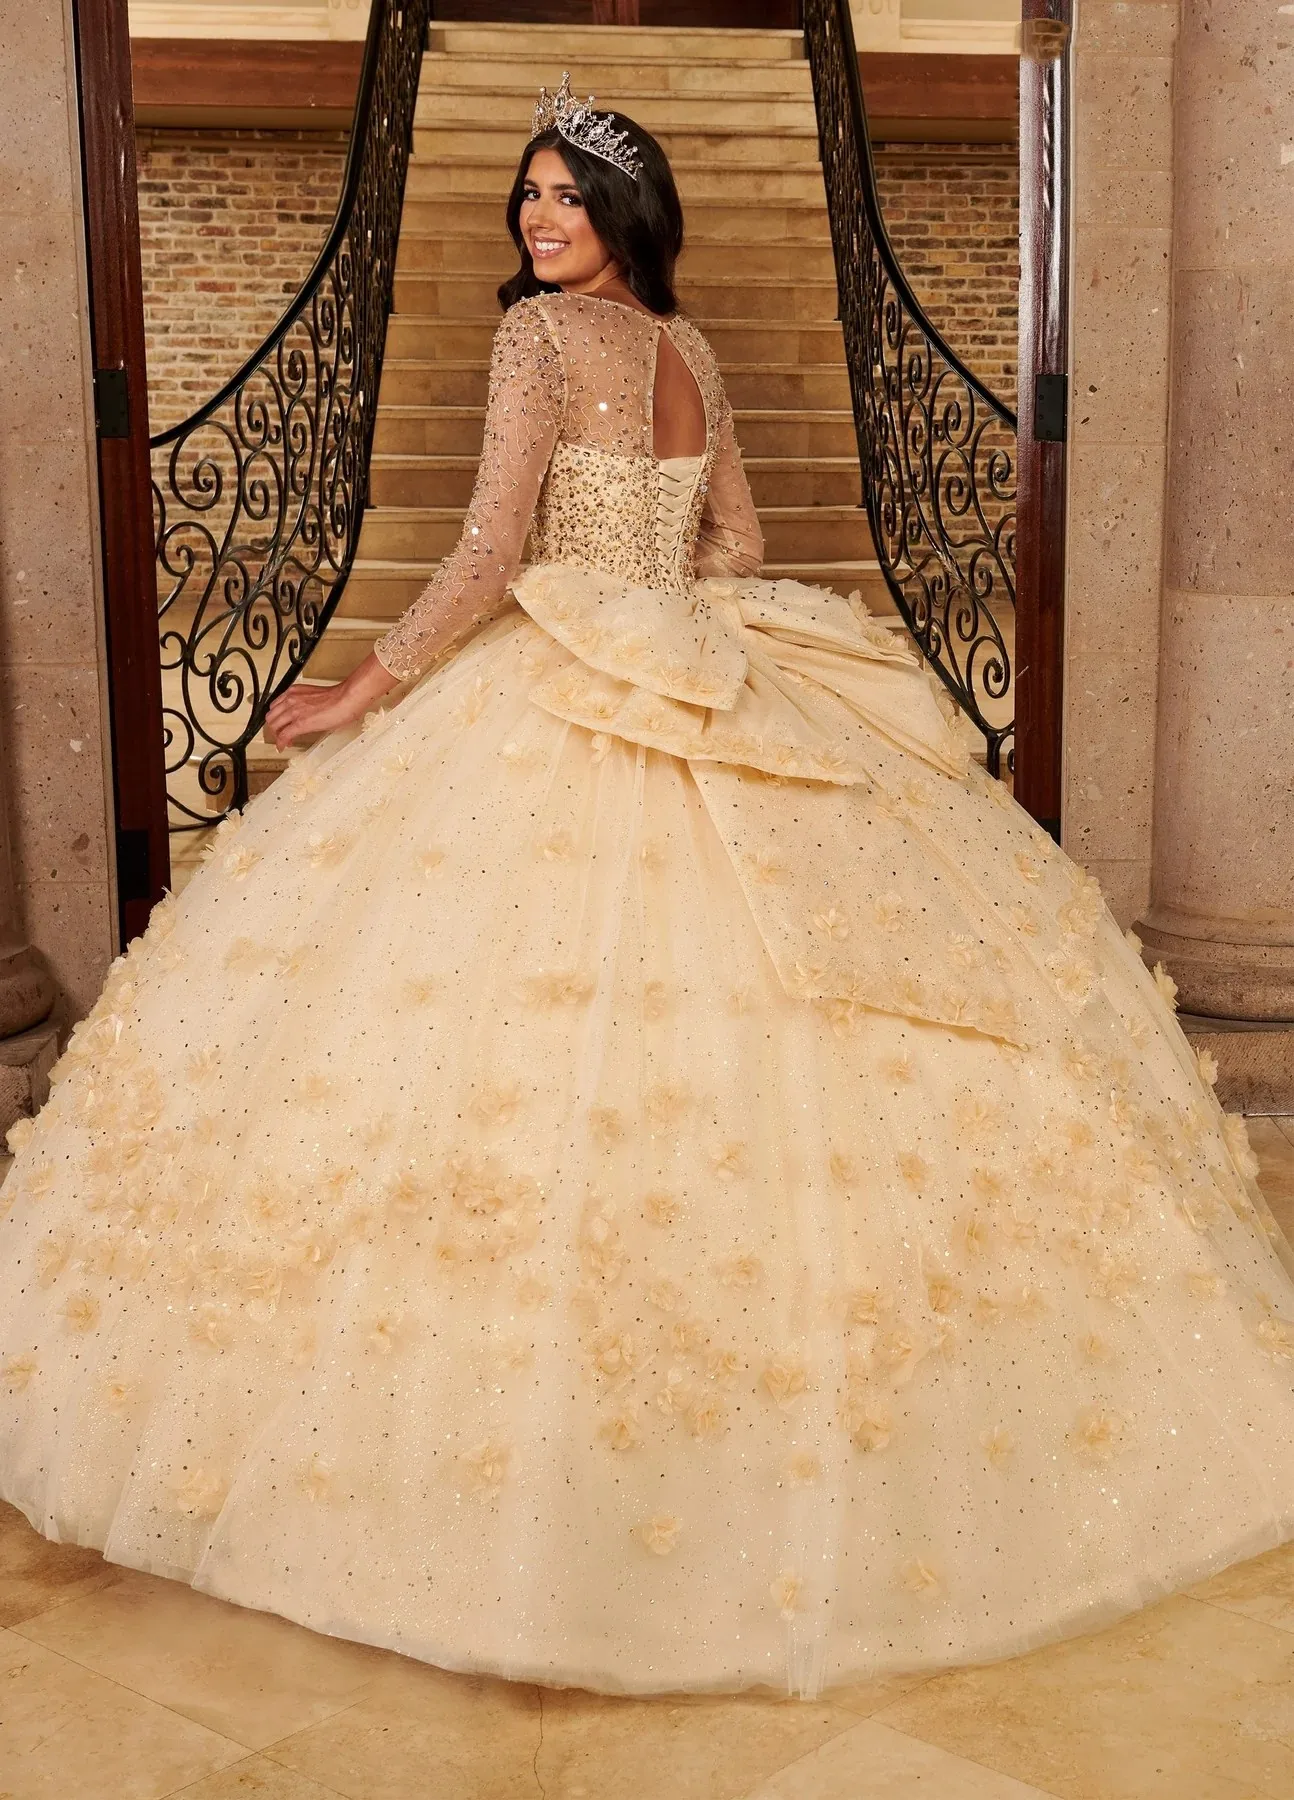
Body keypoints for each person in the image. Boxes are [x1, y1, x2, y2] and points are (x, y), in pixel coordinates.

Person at [3, 78, 1294, 1702]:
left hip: (564, 662)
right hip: (693, 654)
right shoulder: (688, 357)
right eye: (527, 200)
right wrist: (688, 632)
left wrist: (362, 690)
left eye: (562, 198)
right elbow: (733, 547)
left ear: (624, 215)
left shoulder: (540, 347)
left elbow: (484, 555)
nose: (537, 223)